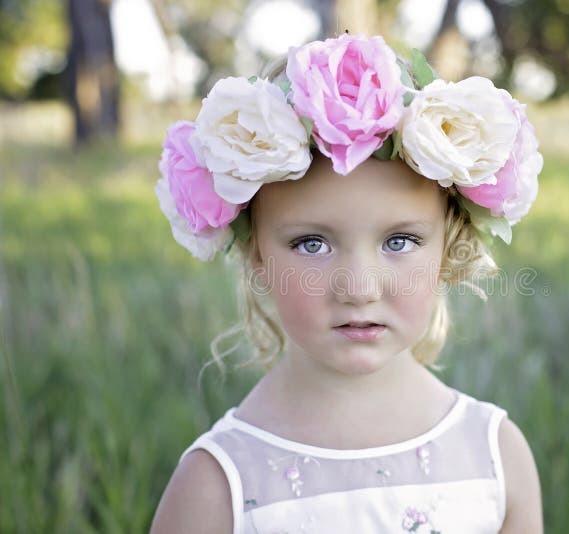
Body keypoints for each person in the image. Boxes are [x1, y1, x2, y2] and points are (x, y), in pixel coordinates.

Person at [150, 33, 544, 533]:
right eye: (312, 244)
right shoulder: (216, 487)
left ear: (449, 244)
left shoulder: (496, 457)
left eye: (399, 241)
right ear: (256, 256)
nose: (359, 288)